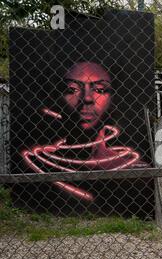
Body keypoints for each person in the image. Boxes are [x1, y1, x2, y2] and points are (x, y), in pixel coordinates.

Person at [21, 61, 149, 201]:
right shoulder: (38, 167)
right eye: (72, 89)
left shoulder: (135, 171)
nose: (87, 98)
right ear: (57, 98)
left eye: (100, 90)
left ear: (113, 99)